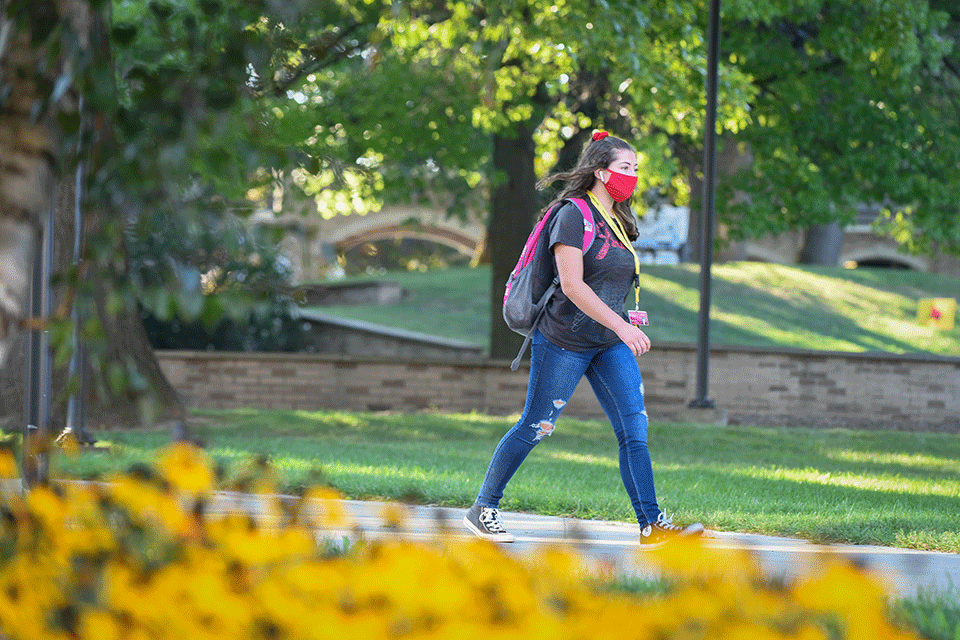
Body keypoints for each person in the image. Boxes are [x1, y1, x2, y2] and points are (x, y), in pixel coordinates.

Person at [463, 131, 704, 545]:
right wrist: (623, 326)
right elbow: (573, 285)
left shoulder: (620, 219)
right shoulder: (573, 215)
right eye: (625, 168)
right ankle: (483, 508)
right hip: (564, 340)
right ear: (599, 171)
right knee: (536, 425)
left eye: (636, 169)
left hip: (606, 343)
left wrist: (621, 324)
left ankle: (651, 524)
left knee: (634, 428)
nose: (633, 176)